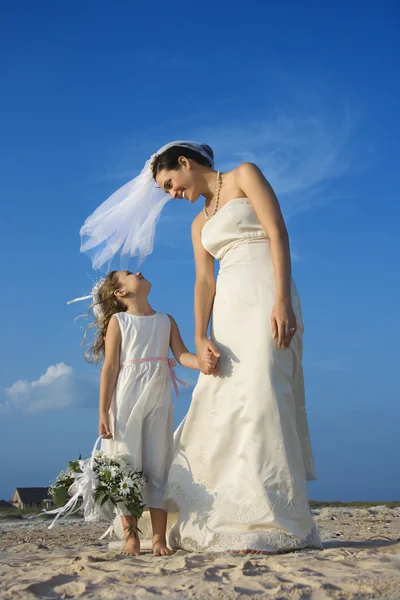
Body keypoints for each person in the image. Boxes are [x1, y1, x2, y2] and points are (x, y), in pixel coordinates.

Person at [80, 140, 322, 554]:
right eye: (166, 190)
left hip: (265, 288)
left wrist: (282, 297)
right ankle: (238, 509)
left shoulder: (245, 174)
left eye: (171, 183)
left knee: (266, 390)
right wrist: (200, 334)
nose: (172, 194)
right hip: (228, 304)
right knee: (232, 395)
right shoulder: (197, 224)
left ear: (186, 163)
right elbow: (205, 281)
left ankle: (274, 512)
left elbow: (278, 231)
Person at [84, 269, 218, 556]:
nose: (140, 272)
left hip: (158, 397)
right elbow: (109, 368)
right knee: (125, 462)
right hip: (125, 398)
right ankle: (131, 538)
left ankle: (159, 539)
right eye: (130, 274)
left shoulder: (165, 320)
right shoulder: (118, 322)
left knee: (158, 462)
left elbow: (181, 355)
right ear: (120, 293)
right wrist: (103, 411)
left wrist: (203, 363)